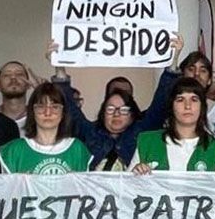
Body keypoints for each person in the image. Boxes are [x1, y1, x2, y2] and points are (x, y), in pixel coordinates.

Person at [51, 36, 183, 171]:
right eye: (110, 109)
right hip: (93, 190)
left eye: (124, 109)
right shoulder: (90, 132)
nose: (116, 114)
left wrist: (173, 60)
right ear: (102, 114)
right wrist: (59, 67)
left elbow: (160, 104)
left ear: (132, 115)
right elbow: (71, 109)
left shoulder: (141, 132)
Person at [132, 78, 215, 173]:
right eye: (180, 100)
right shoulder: (147, 142)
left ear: (202, 107)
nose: (187, 106)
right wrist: (135, 174)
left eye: (194, 100)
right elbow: (125, 184)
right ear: (171, 105)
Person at [0, 84, 90, 175]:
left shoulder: (77, 149)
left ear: (63, 113)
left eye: (55, 107)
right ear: (32, 111)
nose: (48, 112)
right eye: (41, 107)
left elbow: (83, 189)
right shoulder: (14, 150)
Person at [180, 50, 215, 137]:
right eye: (191, 69)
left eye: (203, 70)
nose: (196, 74)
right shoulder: (171, 109)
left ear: (209, 80)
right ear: (182, 75)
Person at [0, 60, 34, 127]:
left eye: (19, 74)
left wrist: (39, 88)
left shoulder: (40, 116)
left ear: (28, 84)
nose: (13, 78)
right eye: (6, 75)